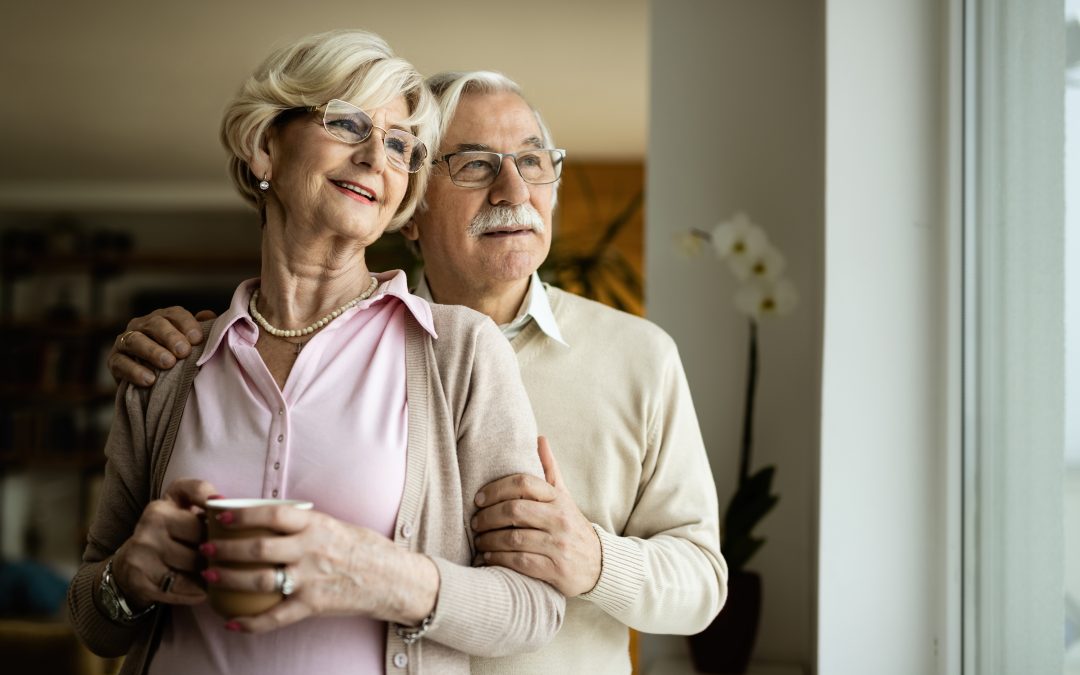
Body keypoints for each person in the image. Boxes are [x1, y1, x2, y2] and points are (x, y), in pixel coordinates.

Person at [108, 70, 725, 675]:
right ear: (410, 207)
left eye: (533, 161)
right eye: (476, 164)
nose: (514, 190)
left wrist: (595, 559)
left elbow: (703, 585)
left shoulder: (640, 355)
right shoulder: (337, 354)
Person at [68, 32, 563, 675]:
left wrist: (373, 573)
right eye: (348, 123)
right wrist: (127, 578)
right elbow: (93, 624)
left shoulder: (461, 352)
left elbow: (532, 609)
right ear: (264, 145)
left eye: (399, 145)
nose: (375, 157)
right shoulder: (168, 365)